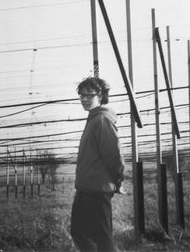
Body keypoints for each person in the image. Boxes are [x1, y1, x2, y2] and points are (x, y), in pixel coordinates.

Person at [70, 77, 125, 252]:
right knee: (79, 232)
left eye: (89, 95)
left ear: (100, 96)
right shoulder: (93, 119)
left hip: (98, 190)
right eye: (81, 95)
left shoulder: (101, 120)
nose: (84, 99)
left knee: (102, 238)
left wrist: (119, 179)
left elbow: (113, 154)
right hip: (86, 188)